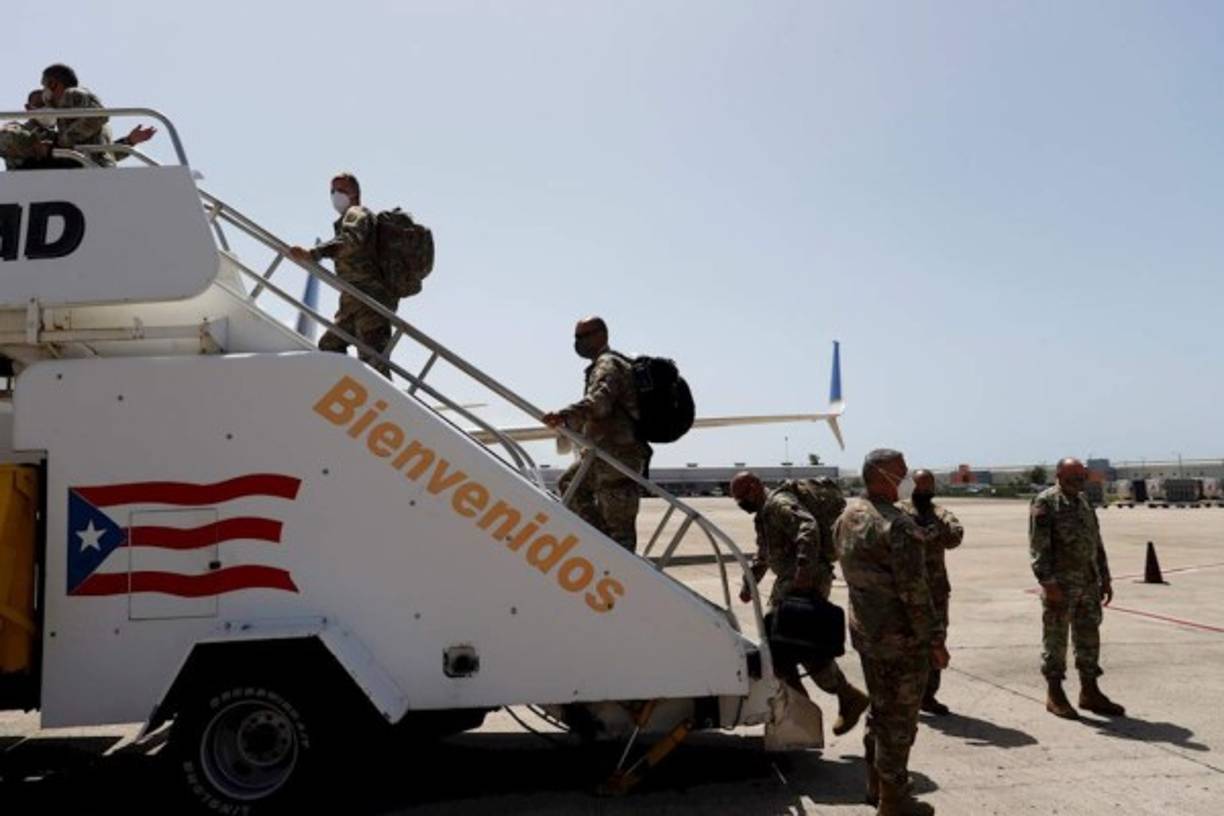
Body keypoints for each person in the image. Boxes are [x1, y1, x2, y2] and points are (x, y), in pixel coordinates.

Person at [835, 449, 946, 816]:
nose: (907, 479)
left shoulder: (848, 515)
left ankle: (875, 782)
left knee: (880, 710)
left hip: (867, 632)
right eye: (900, 472)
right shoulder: (896, 525)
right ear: (880, 475)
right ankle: (894, 800)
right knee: (899, 719)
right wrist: (934, 640)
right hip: (901, 638)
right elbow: (914, 591)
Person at [731, 471, 868, 736]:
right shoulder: (763, 514)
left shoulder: (779, 504)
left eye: (742, 496)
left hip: (805, 580)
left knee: (796, 647)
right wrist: (750, 584)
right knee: (782, 649)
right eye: (737, 499)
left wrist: (804, 569)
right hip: (790, 580)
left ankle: (837, 699)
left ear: (756, 486)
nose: (741, 503)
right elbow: (764, 554)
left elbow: (808, 527)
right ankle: (804, 705)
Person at [542, 317, 649, 552]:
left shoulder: (608, 364)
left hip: (617, 459)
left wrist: (566, 415)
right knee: (569, 484)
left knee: (621, 535)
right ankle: (602, 545)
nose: (578, 342)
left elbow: (601, 403)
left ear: (602, 334)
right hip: (604, 458)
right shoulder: (606, 363)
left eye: (582, 336)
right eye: (576, 337)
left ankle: (616, 562)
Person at [1030, 457, 1125, 719]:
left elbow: (1096, 542)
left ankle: (1090, 691)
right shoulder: (1046, 503)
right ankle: (1055, 693)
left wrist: (1105, 577)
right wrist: (1048, 584)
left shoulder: (1084, 502)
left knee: (1089, 638)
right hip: (1060, 585)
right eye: (1073, 477)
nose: (1078, 482)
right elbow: (1039, 548)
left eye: (1081, 477)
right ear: (1059, 475)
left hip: (1088, 583)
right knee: (1056, 639)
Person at [290, 173, 397, 378]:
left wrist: (314, 253)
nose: (335, 195)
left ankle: (388, 406)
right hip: (353, 300)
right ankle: (352, 390)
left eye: (340, 190)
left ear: (355, 192)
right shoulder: (348, 218)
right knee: (330, 344)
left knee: (374, 364)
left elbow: (351, 241)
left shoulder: (357, 213)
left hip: (369, 301)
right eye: (332, 191)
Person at [897, 469, 963, 716]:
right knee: (906, 643)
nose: (924, 492)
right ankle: (906, 697)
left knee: (936, 640)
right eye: (920, 486)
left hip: (935, 591)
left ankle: (928, 695)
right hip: (905, 590)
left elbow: (955, 535)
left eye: (928, 487)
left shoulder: (940, 513)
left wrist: (938, 531)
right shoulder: (899, 512)